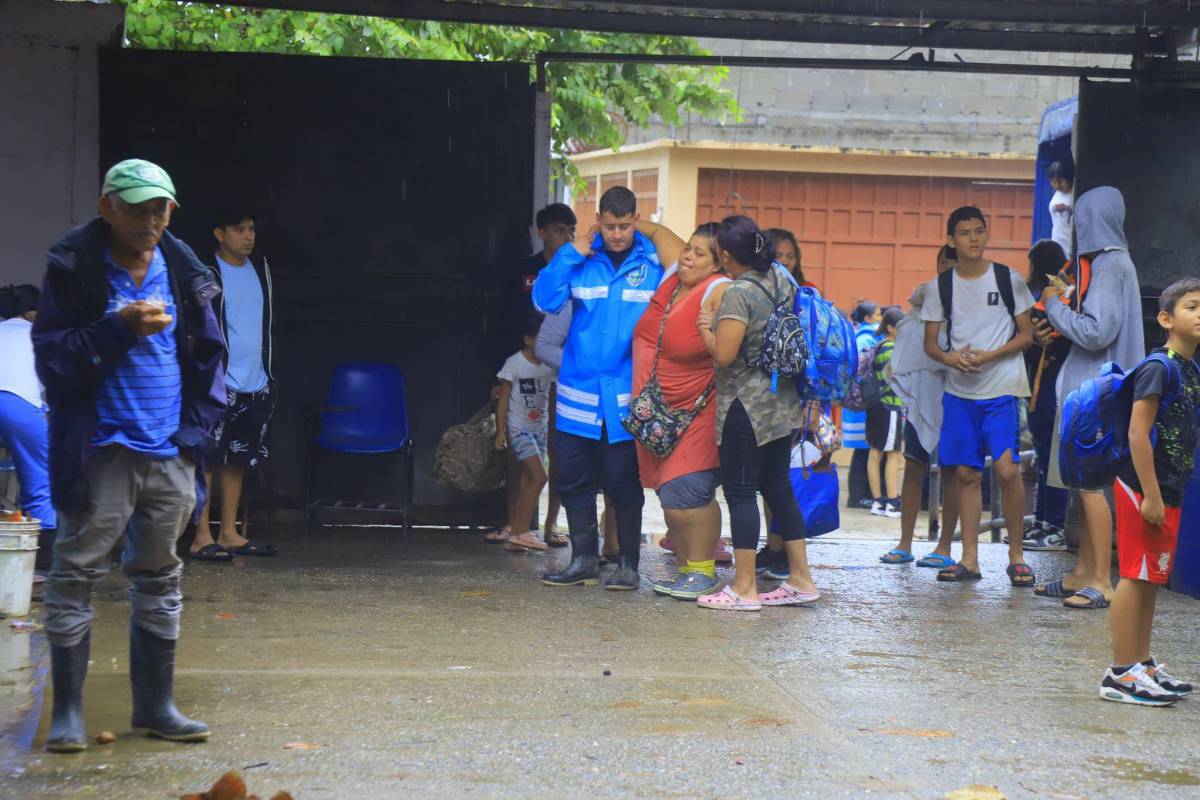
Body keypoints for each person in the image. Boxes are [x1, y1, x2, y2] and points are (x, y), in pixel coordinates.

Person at [33, 159, 226, 751]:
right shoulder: (75, 269)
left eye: (160, 209)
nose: (151, 220)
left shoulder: (183, 268)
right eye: (138, 209)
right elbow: (54, 361)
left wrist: (193, 437)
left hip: (168, 450)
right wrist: (117, 328)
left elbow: (209, 356)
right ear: (106, 208)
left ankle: (157, 707)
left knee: (160, 574)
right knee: (74, 575)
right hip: (100, 450)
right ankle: (67, 712)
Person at [532, 186, 663, 590]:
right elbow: (543, 299)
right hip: (578, 396)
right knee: (572, 480)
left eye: (624, 226)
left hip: (626, 399)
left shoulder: (654, 263)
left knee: (624, 485)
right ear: (599, 221)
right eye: (610, 226)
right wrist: (573, 251)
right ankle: (583, 559)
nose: (618, 234)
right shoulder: (582, 260)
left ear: (635, 221)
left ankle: (627, 564)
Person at [696, 216, 819, 611]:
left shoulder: (739, 293)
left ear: (727, 255)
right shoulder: (783, 279)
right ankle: (801, 579)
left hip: (745, 406)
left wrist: (704, 329)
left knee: (741, 493)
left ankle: (745, 586)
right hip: (782, 405)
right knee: (778, 488)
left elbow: (726, 353)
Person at [1035, 186, 1146, 609]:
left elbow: (1098, 331)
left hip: (1095, 393)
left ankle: (1100, 580)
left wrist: (1054, 306)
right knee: (1083, 483)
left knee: (1091, 487)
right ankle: (1083, 570)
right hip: (1095, 390)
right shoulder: (1116, 264)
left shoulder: (1108, 264)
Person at [920, 206, 1036, 586]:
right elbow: (931, 345)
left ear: (987, 235)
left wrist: (990, 355)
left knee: (1007, 468)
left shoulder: (1009, 279)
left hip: (1001, 387)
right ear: (951, 240)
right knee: (967, 473)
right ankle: (969, 559)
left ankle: (1016, 555)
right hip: (959, 391)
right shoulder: (942, 286)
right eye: (965, 233)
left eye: (979, 231)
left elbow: (1026, 335)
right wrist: (951, 359)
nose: (974, 238)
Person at [1100, 277, 1200, 705]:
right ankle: (1120, 674)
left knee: (1151, 577)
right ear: (1166, 318)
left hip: (1167, 487)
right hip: (1143, 487)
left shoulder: (1189, 368)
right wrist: (1152, 495)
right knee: (1134, 576)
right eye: (1193, 306)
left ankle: (1142, 665)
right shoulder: (1159, 367)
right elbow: (1138, 434)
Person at [631, 222, 731, 600]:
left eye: (699, 253)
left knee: (688, 491)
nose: (688, 256)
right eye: (688, 248)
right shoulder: (678, 277)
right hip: (659, 414)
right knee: (670, 497)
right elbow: (658, 234)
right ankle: (689, 571)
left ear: (719, 261)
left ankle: (704, 573)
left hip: (695, 412)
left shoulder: (719, 290)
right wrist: (626, 224)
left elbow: (729, 347)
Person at [191, 209, 277, 561]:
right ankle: (200, 536)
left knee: (238, 458)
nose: (248, 236)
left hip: (255, 380)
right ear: (218, 233)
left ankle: (229, 532)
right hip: (218, 382)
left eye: (251, 229)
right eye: (239, 229)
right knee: (207, 460)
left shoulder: (262, 271)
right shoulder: (207, 272)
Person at [495, 203, 577, 544]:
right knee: (520, 456)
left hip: (562, 372)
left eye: (570, 230)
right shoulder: (522, 271)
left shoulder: (580, 269)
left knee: (559, 451)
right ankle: (515, 523)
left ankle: (551, 524)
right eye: (558, 230)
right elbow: (503, 324)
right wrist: (500, 378)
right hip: (523, 371)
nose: (566, 237)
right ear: (541, 232)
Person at [881, 246, 960, 567]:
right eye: (942, 261)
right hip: (921, 394)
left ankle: (944, 547)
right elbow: (910, 334)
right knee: (913, 465)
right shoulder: (924, 296)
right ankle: (905, 542)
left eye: (952, 262)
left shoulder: (971, 302)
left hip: (956, 394)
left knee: (953, 471)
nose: (946, 267)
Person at [534, 299, 618, 560]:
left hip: (618, 393)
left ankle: (614, 547)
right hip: (573, 396)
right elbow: (544, 347)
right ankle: (579, 551)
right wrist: (584, 365)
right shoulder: (575, 294)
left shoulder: (634, 287)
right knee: (571, 470)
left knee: (618, 471)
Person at [0, 284, 57, 571]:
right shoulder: (41, 335)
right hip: (18, 405)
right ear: (33, 313)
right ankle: (42, 568)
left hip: (14, 401)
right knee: (39, 478)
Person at [1020, 239, 1070, 550]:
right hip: (1037, 385)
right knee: (1042, 455)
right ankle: (1040, 519)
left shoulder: (1059, 296)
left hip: (1050, 384)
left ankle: (1055, 525)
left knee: (1052, 457)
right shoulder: (1044, 294)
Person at [493, 313, 555, 552]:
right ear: (529, 340)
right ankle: (521, 531)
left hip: (540, 430)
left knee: (529, 479)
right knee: (540, 477)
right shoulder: (514, 363)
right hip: (519, 429)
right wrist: (501, 432)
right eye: (542, 340)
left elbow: (556, 392)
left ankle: (518, 534)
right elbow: (503, 399)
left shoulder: (550, 365)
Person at [866, 306, 906, 518]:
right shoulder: (891, 349)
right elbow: (897, 379)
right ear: (891, 328)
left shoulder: (879, 345)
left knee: (875, 453)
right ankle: (891, 502)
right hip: (890, 406)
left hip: (876, 407)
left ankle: (877, 502)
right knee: (894, 454)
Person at [844, 301, 883, 508]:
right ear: (868, 319)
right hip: (863, 403)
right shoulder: (866, 338)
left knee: (865, 451)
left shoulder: (864, 335)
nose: (880, 318)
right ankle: (858, 496)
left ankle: (861, 495)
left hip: (860, 403)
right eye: (877, 314)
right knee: (863, 452)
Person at [1047, 160, 1075, 258]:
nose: (1057, 185)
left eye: (1060, 181)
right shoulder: (1057, 193)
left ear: (1069, 179)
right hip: (1058, 246)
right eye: (1053, 182)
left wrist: (1068, 208)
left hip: (1071, 249)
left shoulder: (1075, 194)